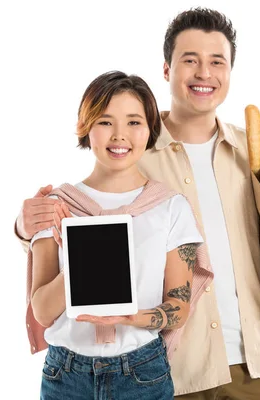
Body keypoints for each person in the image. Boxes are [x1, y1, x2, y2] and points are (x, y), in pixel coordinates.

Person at [16, 7, 260, 400]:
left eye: (216, 62)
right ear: (166, 69)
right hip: (175, 370)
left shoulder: (256, 152)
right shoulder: (132, 150)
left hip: (255, 358)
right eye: (189, 60)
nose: (203, 73)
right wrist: (25, 228)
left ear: (230, 71)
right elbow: (84, 222)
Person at [27, 70, 207, 399]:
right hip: (66, 375)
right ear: (87, 127)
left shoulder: (170, 208)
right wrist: (82, 266)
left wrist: (133, 317)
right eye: (106, 121)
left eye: (134, 122)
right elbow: (41, 310)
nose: (119, 136)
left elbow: (178, 308)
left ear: (150, 129)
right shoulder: (57, 206)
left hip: (142, 373)